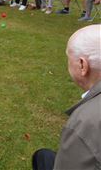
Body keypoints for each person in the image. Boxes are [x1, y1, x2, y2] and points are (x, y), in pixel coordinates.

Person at [32, 24, 101, 170]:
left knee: (42, 157)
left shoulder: (86, 122)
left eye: (68, 57)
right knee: (44, 155)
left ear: (82, 65)